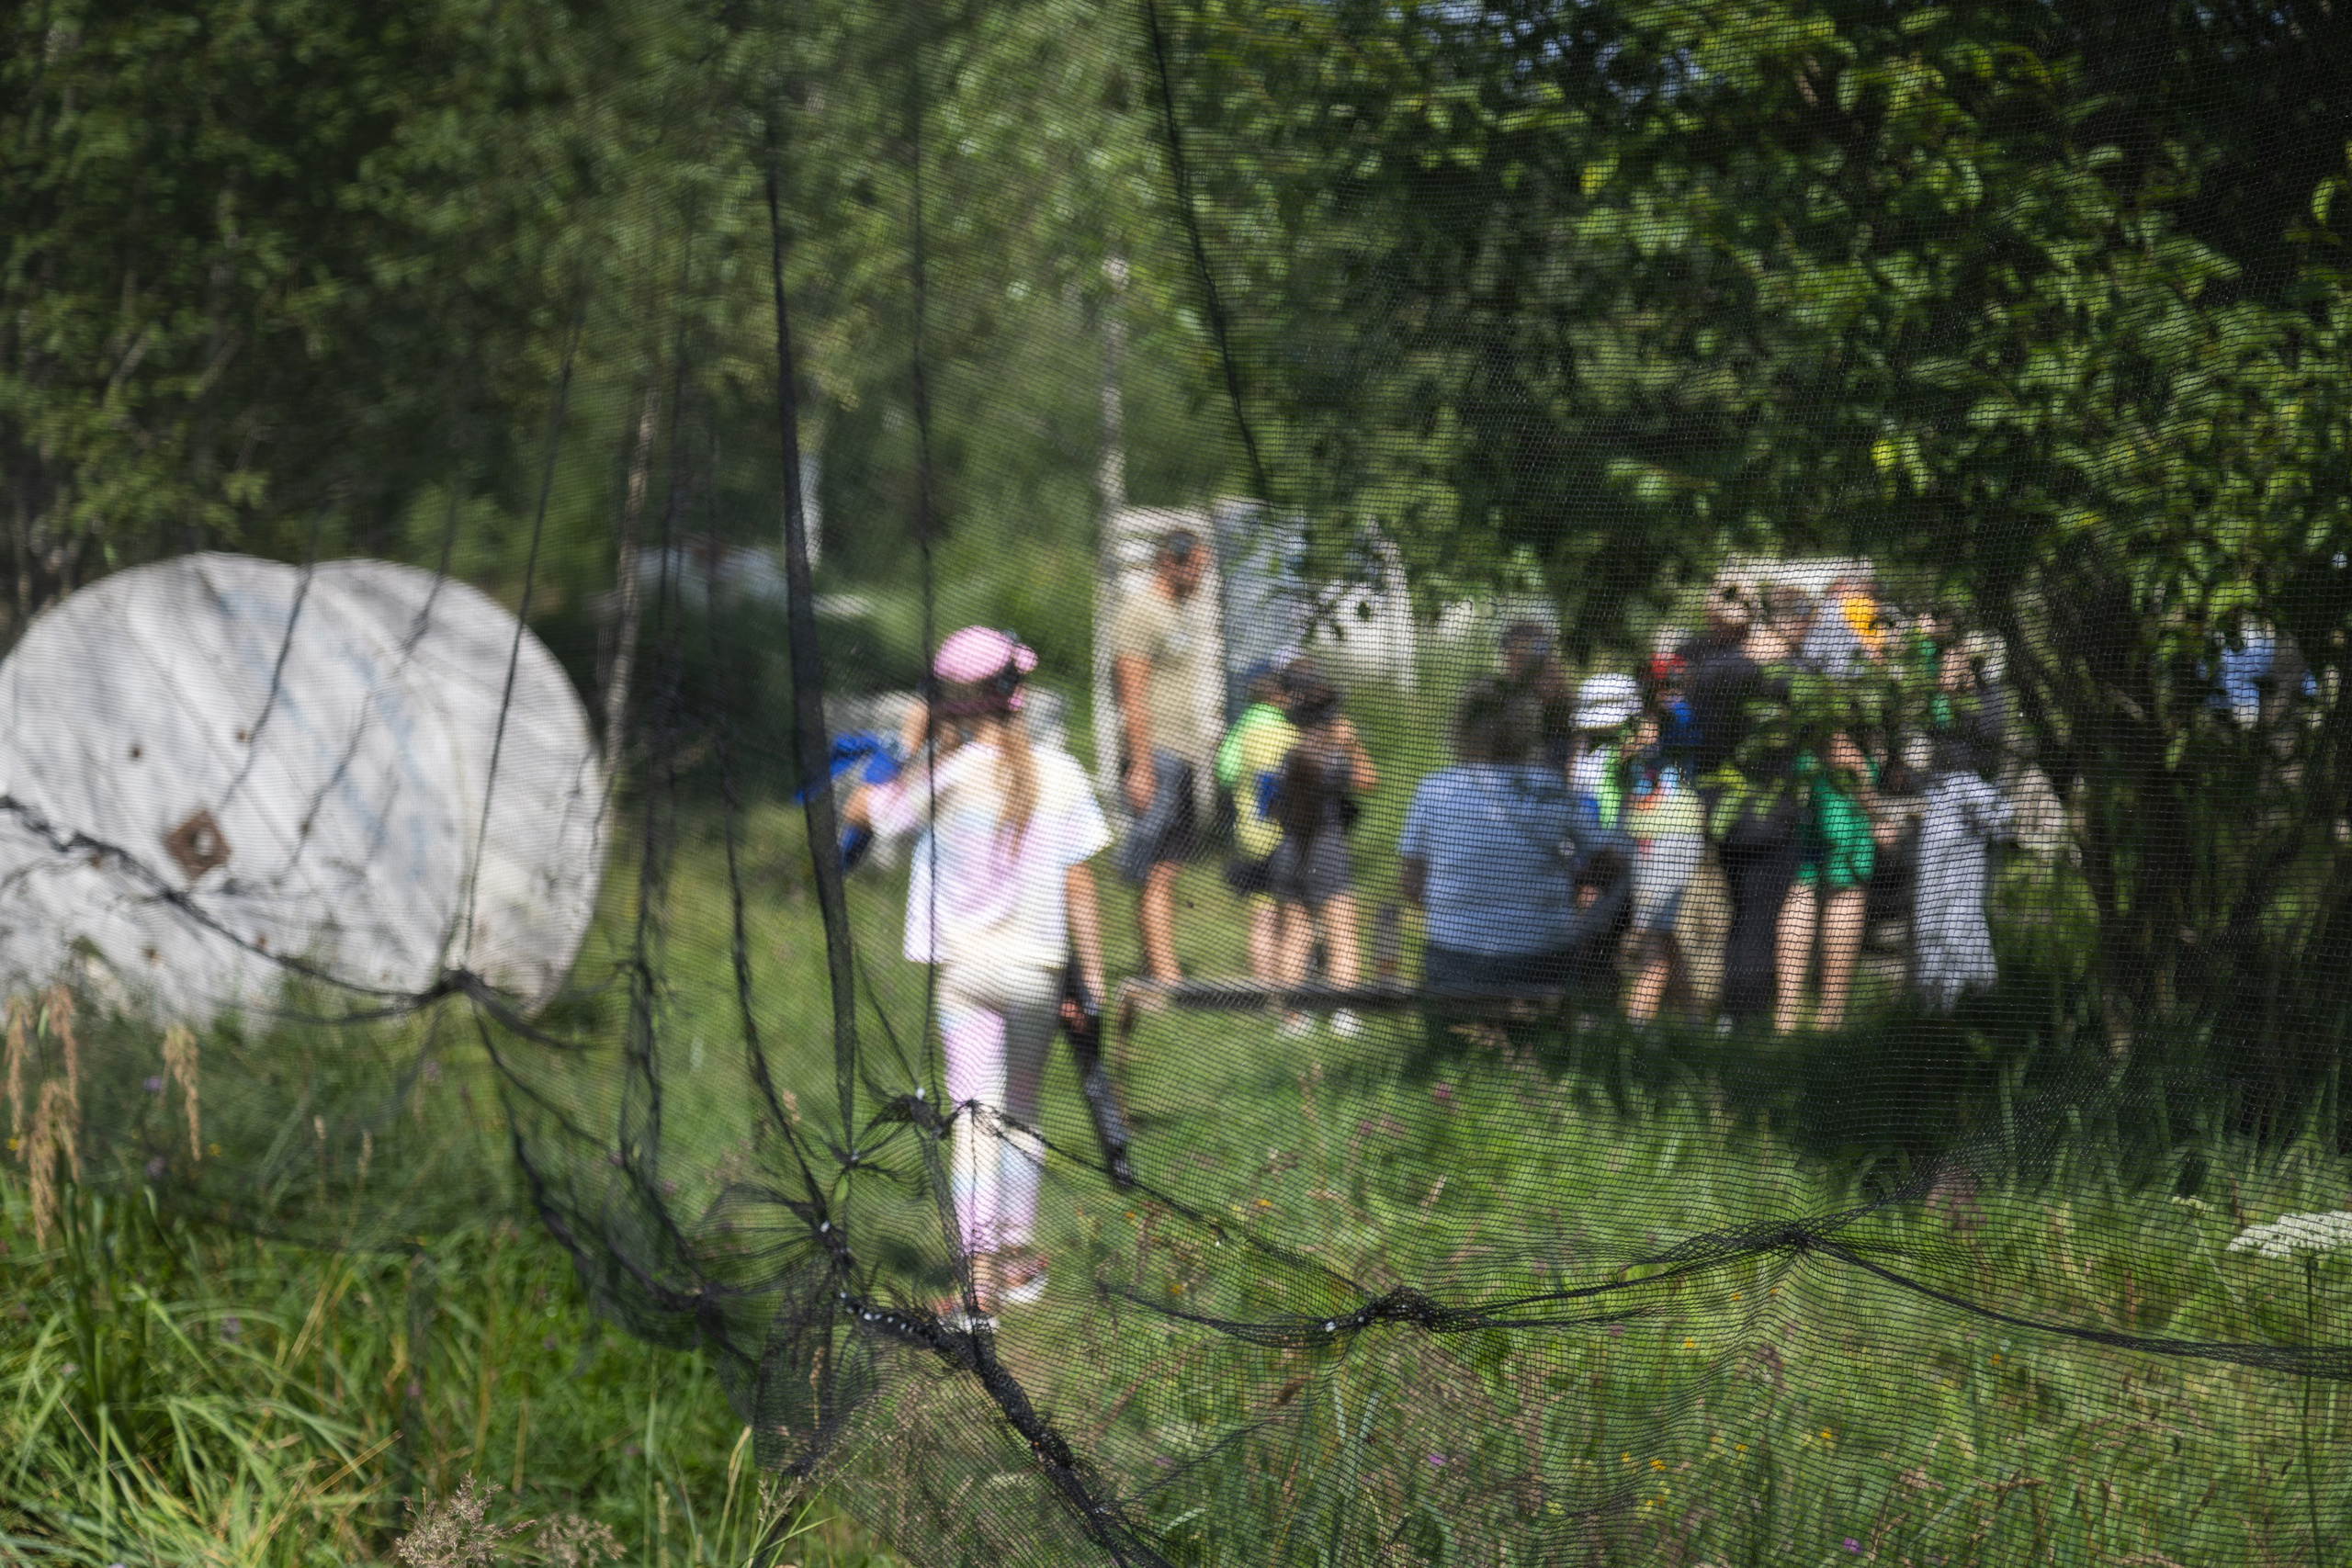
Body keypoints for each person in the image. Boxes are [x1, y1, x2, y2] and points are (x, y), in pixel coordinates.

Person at [849, 626, 1109, 1321]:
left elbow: (862, 813)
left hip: (965, 973)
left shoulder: (946, 775)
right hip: (1038, 972)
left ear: (952, 703)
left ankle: (978, 1282)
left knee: (972, 1117)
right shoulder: (1063, 772)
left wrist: (910, 743)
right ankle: (1020, 1262)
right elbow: (1080, 885)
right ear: (1016, 694)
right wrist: (1095, 984)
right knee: (1022, 1109)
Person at [1397, 678, 1594, 994]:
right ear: (1527, 726)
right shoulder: (1547, 787)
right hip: (1544, 954)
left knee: (1451, 1039)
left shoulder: (1436, 788)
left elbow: (1410, 885)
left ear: (1461, 724)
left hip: (1456, 955)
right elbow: (1604, 858)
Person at [1108, 529, 1216, 984]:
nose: (1201, 577)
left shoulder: (1176, 612)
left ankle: (1164, 972)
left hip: (1183, 755)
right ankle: (1162, 976)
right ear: (1169, 562)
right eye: (1196, 567)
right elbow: (1131, 694)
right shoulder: (1140, 611)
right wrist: (1142, 767)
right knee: (1148, 867)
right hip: (1157, 756)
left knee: (1167, 869)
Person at [1267, 660, 1378, 1035]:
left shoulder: (1281, 745)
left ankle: (1294, 1018)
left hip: (1288, 846)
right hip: (1325, 844)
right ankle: (1345, 1012)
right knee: (1341, 928)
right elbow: (1368, 780)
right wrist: (1350, 743)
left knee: (1294, 931)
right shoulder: (1327, 751)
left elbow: (1269, 805)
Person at [1773, 731, 1884, 1033]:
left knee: (1804, 886)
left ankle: (1788, 1015)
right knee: (1842, 889)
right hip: (1840, 788)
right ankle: (1829, 1016)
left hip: (1806, 758)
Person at [1214, 659, 1299, 981]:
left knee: (1261, 914)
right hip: (1285, 837)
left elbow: (1225, 773)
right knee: (1291, 914)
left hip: (1250, 836)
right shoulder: (1290, 733)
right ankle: (1291, 989)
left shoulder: (1240, 732)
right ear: (1280, 694)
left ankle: (1264, 989)